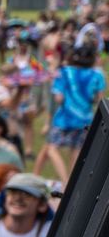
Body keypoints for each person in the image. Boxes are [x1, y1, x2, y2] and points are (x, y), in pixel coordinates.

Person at [44, 42, 104, 180]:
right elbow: (99, 99)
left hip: (64, 119)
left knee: (52, 148)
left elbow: (59, 98)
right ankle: (71, 183)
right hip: (85, 119)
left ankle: (65, 181)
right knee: (76, 152)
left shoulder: (64, 72)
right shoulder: (97, 75)